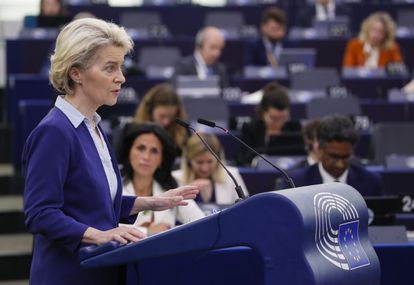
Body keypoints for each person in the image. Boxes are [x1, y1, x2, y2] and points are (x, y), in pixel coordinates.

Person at [22, 18, 199, 285]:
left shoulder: (94, 125)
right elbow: (40, 214)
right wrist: (100, 234)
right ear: (76, 73)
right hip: (69, 275)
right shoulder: (55, 131)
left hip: (102, 270)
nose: (122, 77)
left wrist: (150, 202)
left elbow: (93, 203)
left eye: (121, 66)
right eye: (110, 68)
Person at [118, 123, 205, 235]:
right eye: (141, 148)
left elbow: (202, 223)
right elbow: (102, 226)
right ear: (129, 152)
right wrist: (147, 231)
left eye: (154, 151)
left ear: (161, 159)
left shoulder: (171, 187)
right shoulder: (112, 185)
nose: (146, 157)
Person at [281, 115, 384, 196]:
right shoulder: (295, 184)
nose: (340, 164)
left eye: (346, 157)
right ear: (319, 150)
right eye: (334, 157)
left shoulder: (371, 182)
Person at [173, 133, 249, 213]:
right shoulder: (175, 178)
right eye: (199, 162)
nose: (204, 168)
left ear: (218, 158)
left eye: (210, 162)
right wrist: (187, 190)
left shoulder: (232, 176)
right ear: (188, 161)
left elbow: (245, 210)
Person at [237, 82, 302, 166]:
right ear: (263, 112)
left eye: (283, 118)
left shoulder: (294, 127)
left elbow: (301, 156)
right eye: (274, 118)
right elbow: (242, 159)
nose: (279, 122)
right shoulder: (250, 129)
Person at [134, 83, 188, 152]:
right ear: (149, 110)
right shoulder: (134, 132)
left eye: (171, 117)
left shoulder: (185, 132)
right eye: (162, 116)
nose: (166, 122)